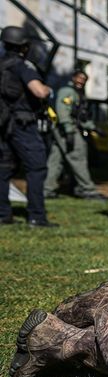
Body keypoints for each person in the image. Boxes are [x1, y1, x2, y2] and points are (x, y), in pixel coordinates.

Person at [0, 25, 56, 227]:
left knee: (3, 170)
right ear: (23, 46)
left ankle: (3, 214)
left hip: (4, 124)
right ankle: (36, 216)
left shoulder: (2, 65)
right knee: (36, 168)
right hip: (23, 124)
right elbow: (39, 91)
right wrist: (48, 90)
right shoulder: (23, 66)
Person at [44, 69, 108, 201]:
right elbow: (63, 112)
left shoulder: (77, 93)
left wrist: (94, 128)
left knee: (56, 160)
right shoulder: (67, 92)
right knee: (78, 157)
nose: (81, 82)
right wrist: (69, 130)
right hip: (66, 129)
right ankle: (87, 190)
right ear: (73, 78)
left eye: (84, 80)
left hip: (65, 128)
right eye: (79, 78)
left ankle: (47, 189)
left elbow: (80, 116)